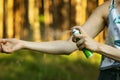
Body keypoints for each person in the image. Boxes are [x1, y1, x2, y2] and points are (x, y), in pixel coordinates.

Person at [0, 0, 120, 80]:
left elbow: (95, 46)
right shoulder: (109, 7)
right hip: (108, 75)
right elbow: (68, 46)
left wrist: (98, 47)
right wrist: (22, 44)